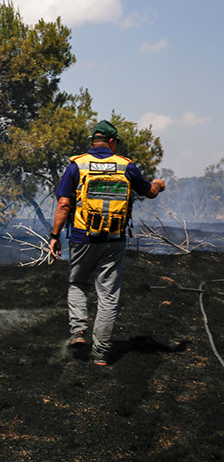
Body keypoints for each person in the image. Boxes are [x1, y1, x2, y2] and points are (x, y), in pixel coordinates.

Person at [49, 120, 165, 365]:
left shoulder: (76, 165)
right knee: (108, 296)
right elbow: (148, 192)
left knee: (78, 283)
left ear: (94, 141)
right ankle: (100, 355)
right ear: (112, 142)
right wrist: (158, 185)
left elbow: (63, 204)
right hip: (114, 240)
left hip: (82, 238)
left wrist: (54, 236)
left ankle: (78, 332)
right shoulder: (126, 166)